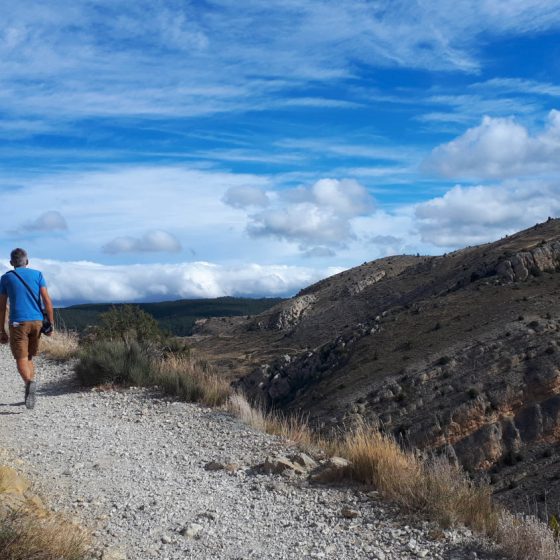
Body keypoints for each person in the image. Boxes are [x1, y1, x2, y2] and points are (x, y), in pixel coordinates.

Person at [0, 248, 54, 409]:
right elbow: (47, 301)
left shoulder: (6, 278)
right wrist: (50, 324)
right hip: (37, 322)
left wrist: (2, 330)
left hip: (18, 323)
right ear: (27, 261)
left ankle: (29, 383)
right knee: (29, 357)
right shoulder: (38, 275)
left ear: (11, 263)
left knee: (21, 358)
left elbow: (2, 307)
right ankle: (29, 390)